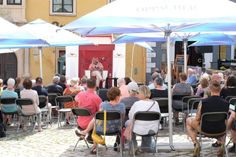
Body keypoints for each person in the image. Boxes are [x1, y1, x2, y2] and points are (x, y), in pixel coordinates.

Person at [75, 87, 125, 154]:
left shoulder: (103, 105)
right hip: (116, 129)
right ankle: (86, 134)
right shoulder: (122, 106)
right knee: (96, 118)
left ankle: (93, 144)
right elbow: (123, 118)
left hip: (103, 129)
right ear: (117, 97)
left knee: (96, 118)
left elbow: (99, 117)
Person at [186, 80, 229, 157]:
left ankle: (196, 143)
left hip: (205, 129)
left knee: (188, 120)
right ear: (220, 90)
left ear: (210, 89)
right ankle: (222, 144)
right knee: (224, 123)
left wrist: (196, 126)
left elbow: (197, 118)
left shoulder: (203, 102)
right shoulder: (226, 103)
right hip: (220, 130)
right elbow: (227, 119)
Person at [127, 85, 160, 153]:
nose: (137, 95)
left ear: (141, 94)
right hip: (152, 129)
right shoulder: (155, 103)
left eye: (138, 93)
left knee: (128, 123)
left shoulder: (137, 104)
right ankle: (146, 146)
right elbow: (159, 117)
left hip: (138, 129)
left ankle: (133, 147)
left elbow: (130, 116)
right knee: (146, 124)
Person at [74, 78, 102, 145]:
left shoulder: (80, 94)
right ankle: (91, 136)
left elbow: (76, 99)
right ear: (95, 86)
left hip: (80, 123)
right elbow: (100, 111)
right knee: (98, 117)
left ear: (86, 85)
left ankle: (86, 134)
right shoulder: (97, 98)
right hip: (91, 124)